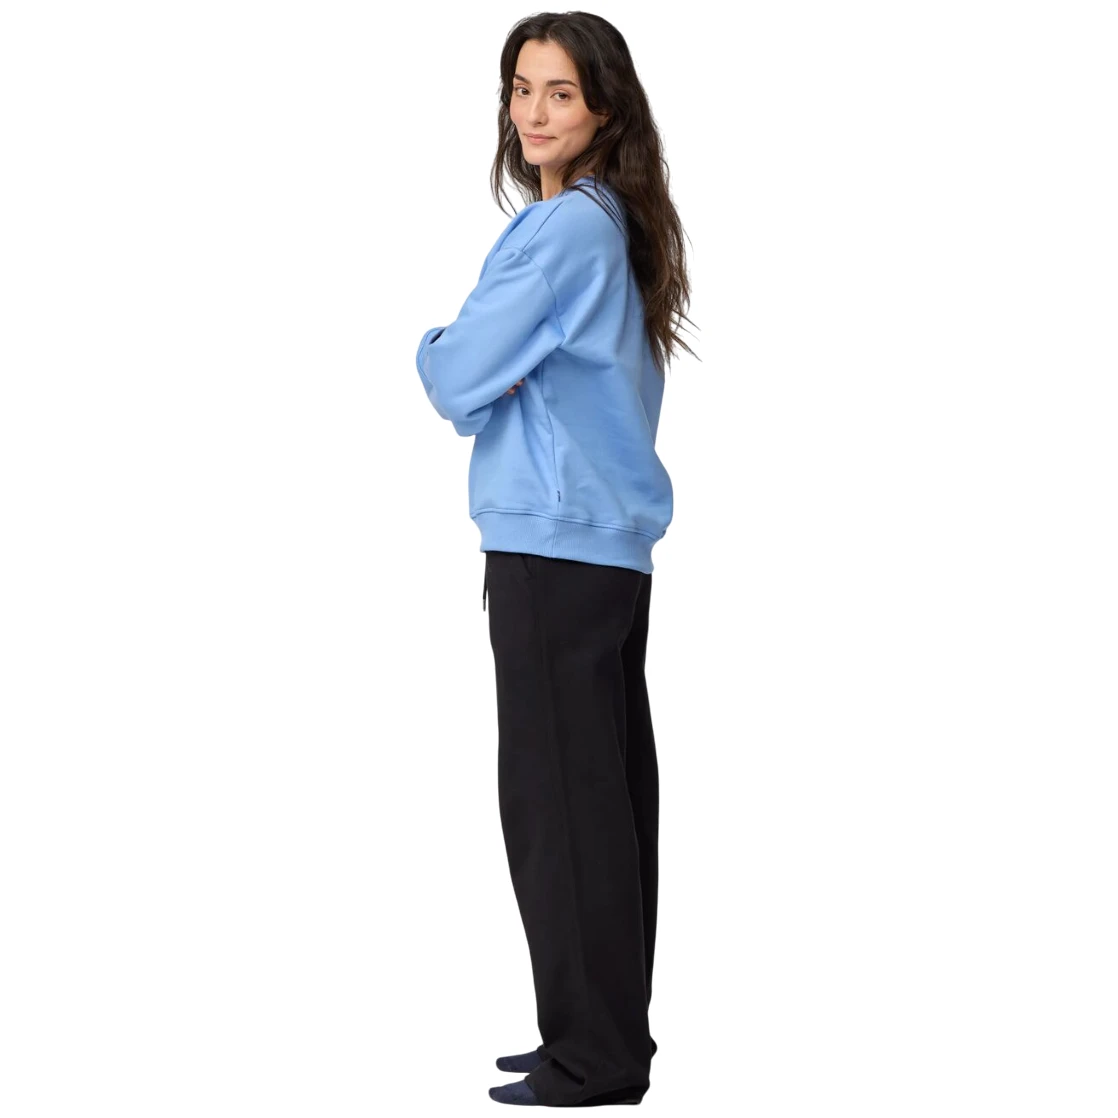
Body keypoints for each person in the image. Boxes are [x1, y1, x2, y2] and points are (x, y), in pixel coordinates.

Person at [415, 12, 697, 1108]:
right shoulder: (613, 222)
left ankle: (593, 1058)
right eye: (520, 89)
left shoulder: (559, 233)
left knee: (560, 808)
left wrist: (434, 345)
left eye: (560, 93)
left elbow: (454, 377)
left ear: (604, 108)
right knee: (606, 801)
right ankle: (600, 1034)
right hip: (604, 553)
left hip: (551, 543)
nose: (533, 112)